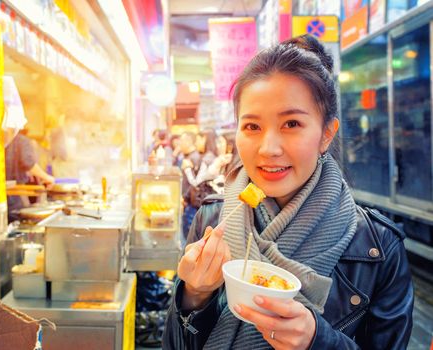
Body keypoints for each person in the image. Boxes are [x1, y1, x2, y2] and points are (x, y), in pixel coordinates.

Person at [163, 35, 413, 349]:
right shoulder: (211, 220)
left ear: (326, 134)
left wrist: (318, 340)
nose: (268, 149)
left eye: (291, 123)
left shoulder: (379, 248)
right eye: (252, 127)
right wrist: (193, 297)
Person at [5, 129, 55, 221]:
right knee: (18, 219)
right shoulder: (22, 140)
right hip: (16, 193)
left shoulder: (1, 140)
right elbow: (28, 163)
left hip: (3, 192)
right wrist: (47, 178)